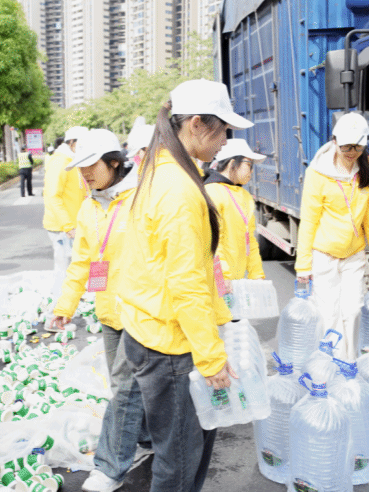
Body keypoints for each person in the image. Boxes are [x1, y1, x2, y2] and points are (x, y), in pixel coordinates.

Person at [116, 79, 253, 492]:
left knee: (177, 452)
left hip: (151, 328)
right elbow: (187, 283)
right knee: (179, 460)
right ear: (195, 124)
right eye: (223, 130)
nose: (226, 141)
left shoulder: (161, 169)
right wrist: (211, 359)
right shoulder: (179, 189)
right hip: (171, 343)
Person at [46, 129, 149, 492]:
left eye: (91, 165)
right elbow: (82, 263)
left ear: (115, 162)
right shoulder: (89, 207)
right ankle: (146, 438)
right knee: (127, 385)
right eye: (80, 167)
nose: (84, 174)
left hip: (140, 311)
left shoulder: (142, 198)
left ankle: (110, 467)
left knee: (124, 388)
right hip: (109, 312)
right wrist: (65, 306)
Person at [294, 113, 369, 361]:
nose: (352, 152)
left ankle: (348, 364)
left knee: (353, 312)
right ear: (334, 141)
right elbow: (309, 220)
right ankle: (328, 365)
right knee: (328, 314)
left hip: (354, 253)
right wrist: (303, 265)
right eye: (346, 147)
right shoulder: (317, 173)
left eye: (358, 146)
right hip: (324, 255)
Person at [204, 138, 266, 285]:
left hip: (234, 281)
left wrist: (257, 274)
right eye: (249, 165)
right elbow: (213, 242)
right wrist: (223, 277)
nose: (252, 171)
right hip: (217, 281)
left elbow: (250, 240)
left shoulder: (244, 196)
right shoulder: (212, 192)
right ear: (232, 163)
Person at [43, 126, 88, 277]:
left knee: (75, 268)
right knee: (66, 271)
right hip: (63, 228)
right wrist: (68, 226)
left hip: (72, 225)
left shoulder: (72, 160)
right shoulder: (60, 162)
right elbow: (53, 196)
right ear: (72, 142)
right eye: (82, 143)